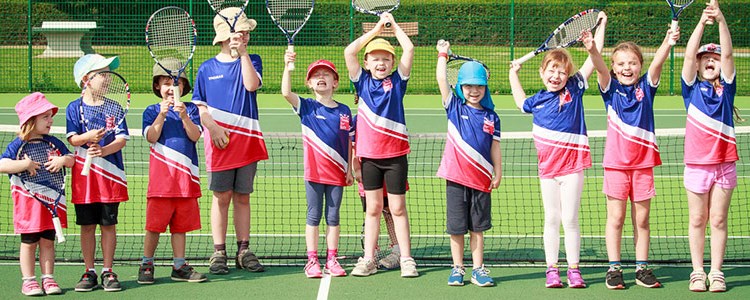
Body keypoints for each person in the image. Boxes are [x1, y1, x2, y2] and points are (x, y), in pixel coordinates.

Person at [509, 16, 608, 288]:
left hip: (573, 167)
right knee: (551, 218)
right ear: (542, 72)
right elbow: (520, 102)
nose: (556, 76)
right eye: (552, 70)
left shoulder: (574, 88)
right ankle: (551, 269)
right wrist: (512, 74)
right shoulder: (538, 100)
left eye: (562, 72)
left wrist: (600, 28)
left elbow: (593, 61)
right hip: (547, 170)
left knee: (570, 219)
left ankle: (574, 270)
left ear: (568, 75)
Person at [593, 14, 679, 289]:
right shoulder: (610, 89)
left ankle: (642, 268)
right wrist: (592, 48)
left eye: (632, 63)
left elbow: (658, 62)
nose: (627, 68)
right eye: (621, 64)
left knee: (642, 219)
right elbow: (598, 67)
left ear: (639, 67)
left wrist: (669, 40)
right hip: (616, 165)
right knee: (616, 218)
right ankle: (614, 268)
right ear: (614, 68)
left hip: (643, 165)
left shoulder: (646, 87)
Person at [192, 7, 268, 275]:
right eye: (243, 31)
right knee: (221, 197)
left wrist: (244, 54)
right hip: (219, 145)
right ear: (226, 35)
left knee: (243, 197)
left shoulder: (253, 59)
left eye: (247, 32)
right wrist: (211, 127)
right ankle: (219, 252)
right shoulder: (206, 68)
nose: (247, 35)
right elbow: (200, 107)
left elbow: (250, 86)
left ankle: (244, 250)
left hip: (247, 142)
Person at [344, 12, 417, 278]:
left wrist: (393, 26)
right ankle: (368, 259)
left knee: (397, 208)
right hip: (369, 158)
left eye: (386, 59)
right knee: (373, 209)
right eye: (375, 59)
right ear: (367, 62)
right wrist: (376, 30)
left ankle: (407, 259)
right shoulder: (361, 81)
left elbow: (408, 48)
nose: (381, 63)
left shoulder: (398, 82)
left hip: (396, 155)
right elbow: (349, 51)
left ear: (392, 62)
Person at [681, 1, 741, 293]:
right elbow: (689, 52)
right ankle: (697, 272)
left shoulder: (727, 89)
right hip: (696, 165)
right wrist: (701, 24)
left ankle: (716, 272)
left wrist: (721, 19)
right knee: (697, 218)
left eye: (714, 58)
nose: (710, 60)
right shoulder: (690, 89)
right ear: (698, 63)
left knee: (718, 219)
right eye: (705, 57)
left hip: (724, 164)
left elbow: (728, 52)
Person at [435, 41, 502, 287]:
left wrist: (498, 171)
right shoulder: (454, 107)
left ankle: (478, 269)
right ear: (461, 87)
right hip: (456, 179)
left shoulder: (492, 117)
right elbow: (442, 80)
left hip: (482, 181)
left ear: (485, 88)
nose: (474, 90)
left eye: (479, 86)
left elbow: (495, 146)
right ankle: (457, 268)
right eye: (469, 86)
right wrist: (442, 54)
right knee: (456, 228)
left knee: (478, 228)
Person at [281, 54, 353, 278]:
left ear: (335, 82)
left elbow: (350, 143)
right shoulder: (307, 107)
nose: (321, 78)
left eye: (326, 74)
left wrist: (350, 169)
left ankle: (332, 259)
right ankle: (312, 260)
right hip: (314, 173)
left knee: (333, 217)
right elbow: (285, 93)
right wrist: (287, 67)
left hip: (338, 174)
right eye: (316, 75)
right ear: (309, 83)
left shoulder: (345, 110)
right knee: (313, 216)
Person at [137, 60, 207, 284]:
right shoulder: (150, 111)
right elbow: (151, 137)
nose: (170, 87)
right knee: (154, 226)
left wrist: (185, 116)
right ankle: (147, 264)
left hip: (185, 181)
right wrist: (161, 115)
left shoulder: (192, 110)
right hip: (161, 183)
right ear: (157, 86)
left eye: (175, 83)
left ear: (183, 87)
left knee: (180, 227)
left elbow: (195, 136)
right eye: (166, 83)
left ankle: (179, 265)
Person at [66, 54, 129, 292]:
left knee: (108, 225)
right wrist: (87, 139)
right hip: (84, 179)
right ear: (86, 79)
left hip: (110, 179)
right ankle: (89, 270)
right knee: (87, 226)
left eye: (108, 73)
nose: (107, 78)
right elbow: (72, 138)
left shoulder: (114, 107)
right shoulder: (74, 108)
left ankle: (108, 270)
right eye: (102, 73)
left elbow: (122, 139)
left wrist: (103, 149)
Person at [0, 93, 73, 296]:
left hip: (51, 203)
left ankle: (48, 278)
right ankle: (29, 281)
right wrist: (25, 164)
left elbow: (72, 159)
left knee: (48, 242)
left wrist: (62, 161)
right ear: (31, 120)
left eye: (51, 116)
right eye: (45, 117)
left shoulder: (53, 143)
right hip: (27, 206)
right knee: (29, 242)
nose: (51, 121)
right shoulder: (17, 145)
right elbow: (2, 165)